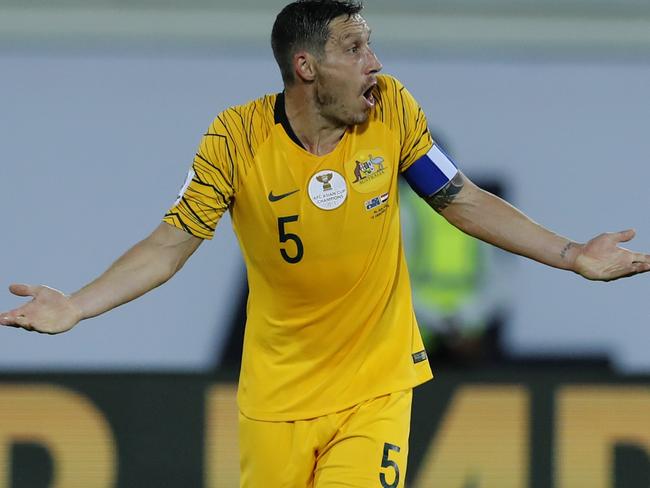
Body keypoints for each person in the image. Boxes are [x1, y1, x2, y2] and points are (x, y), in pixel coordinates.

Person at [2, 1, 649, 486]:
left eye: (372, 46)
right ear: (306, 66)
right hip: (276, 400)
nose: (377, 64)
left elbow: (462, 199)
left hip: (376, 386)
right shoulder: (237, 140)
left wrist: (572, 255)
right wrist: (79, 307)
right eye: (357, 48)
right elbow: (170, 246)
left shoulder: (392, 110)